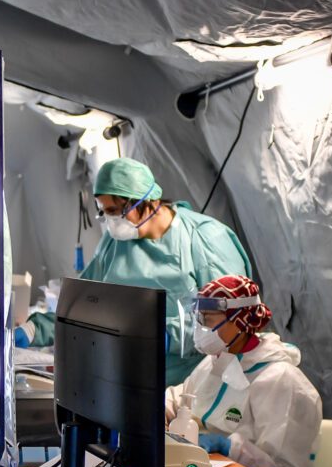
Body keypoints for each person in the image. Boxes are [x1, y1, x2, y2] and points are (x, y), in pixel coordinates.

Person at [16, 157, 252, 385]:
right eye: (103, 211)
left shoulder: (203, 238)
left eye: (114, 210)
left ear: (145, 201)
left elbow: (231, 319)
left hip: (190, 383)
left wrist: (163, 336)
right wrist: (37, 328)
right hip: (125, 378)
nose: (110, 220)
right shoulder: (113, 243)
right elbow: (83, 301)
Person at [166, 275, 322, 467]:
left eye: (208, 318)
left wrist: (230, 447)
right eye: (198, 317)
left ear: (240, 320)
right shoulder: (217, 360)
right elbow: (184, 397)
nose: (200, 327)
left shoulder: (281, 381)